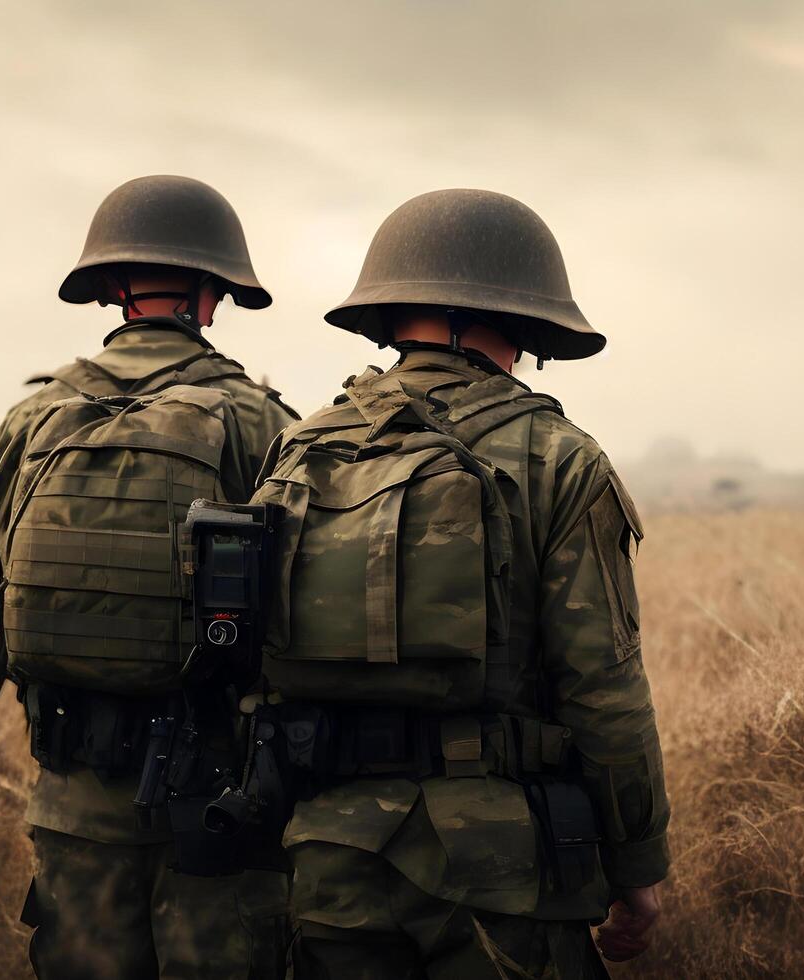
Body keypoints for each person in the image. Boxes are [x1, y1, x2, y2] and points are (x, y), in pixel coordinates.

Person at [251, 189, 669, 977]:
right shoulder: (559, 456)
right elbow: (604, 686)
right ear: (524, 318)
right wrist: (637, 862)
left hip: (325, 859)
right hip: (501, 870)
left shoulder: (299, 447)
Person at [0, 175, 298, 979]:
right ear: (213, 292)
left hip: (72, 795)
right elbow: (300, 613)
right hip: (218, 801)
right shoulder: (260, 421)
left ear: (114, 288)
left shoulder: (29, 422)